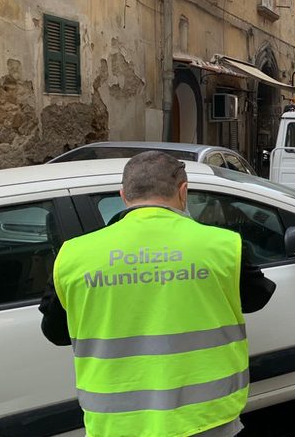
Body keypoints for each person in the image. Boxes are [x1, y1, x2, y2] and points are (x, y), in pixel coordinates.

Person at [39, 151, 276, 437]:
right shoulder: (223, 245)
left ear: (123, 195)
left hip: (115, 422)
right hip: (206, 418)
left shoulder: (72, 255)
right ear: (183, 191)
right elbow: (256, 298)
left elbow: (56, 333)